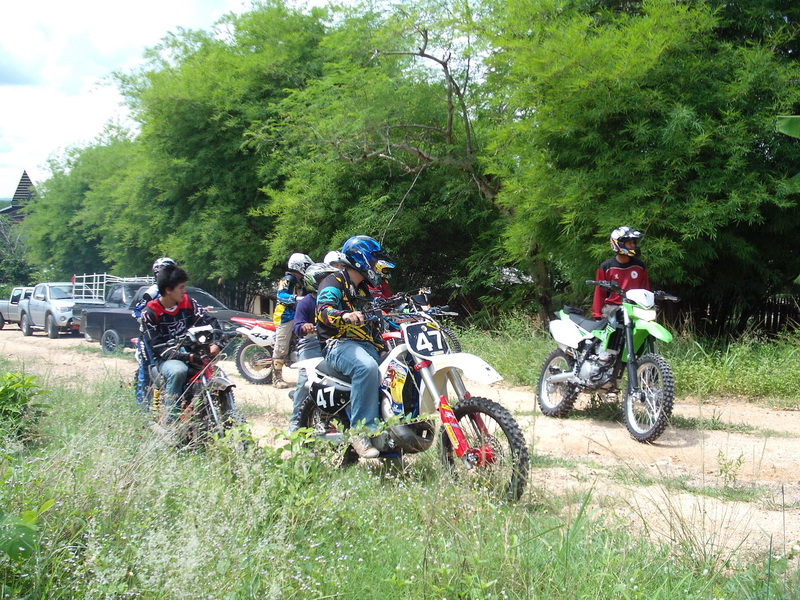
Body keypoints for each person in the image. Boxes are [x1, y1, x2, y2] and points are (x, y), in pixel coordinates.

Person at [316, 235, 395, 458]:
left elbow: (372, 323)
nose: (377, 267)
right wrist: (344, 315)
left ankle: (393, 434)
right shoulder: (333, 281)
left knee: (396, 368)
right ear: (362, 259)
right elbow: (323, 310)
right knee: (366, 368)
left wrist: (382, 348)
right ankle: (360, 432)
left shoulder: (362, 290)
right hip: (337, 343)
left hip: (364, 345)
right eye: (374, 261)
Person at [141, 264, 221, 423]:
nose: (184, 291)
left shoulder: (188, 302)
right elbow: (158, 349)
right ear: (168, 290)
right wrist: (187, 357)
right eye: (181, 287)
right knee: (179, 371)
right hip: (166, 359)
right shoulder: (150, 312)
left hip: (193, 351)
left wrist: (217, 342)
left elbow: (209, 320)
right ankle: (171, 421)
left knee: (216, 373)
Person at [287, 262, 337, 433]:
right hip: (311, 344)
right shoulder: (306, 302)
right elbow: (296, 326)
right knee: (304, 383)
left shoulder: (335, 301)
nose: (328, 282)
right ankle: (295, 422)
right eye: (324, 279)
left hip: (332, 343)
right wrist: (305, 326)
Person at [133, 257, 177, 409]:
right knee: (148, 369)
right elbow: (136, 311)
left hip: (171, 336)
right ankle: (143, 406)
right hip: (149, 338)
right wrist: (147, 321)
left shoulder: (176, 291)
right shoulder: (153, 291)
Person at [272, 252, 313, 389]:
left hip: (297, 315)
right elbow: (281, 295)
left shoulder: (303, 281)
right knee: (281, 347)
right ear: (298, 265)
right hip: (285, 315)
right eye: (305, 265)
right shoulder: (288, 279)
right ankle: (276, 378)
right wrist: (296, 298)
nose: (307, 268)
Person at [592, 226, 650, 318]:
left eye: (633, 243)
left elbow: (645, 289)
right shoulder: (606, 267)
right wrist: (597, 315)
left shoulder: (640, 266)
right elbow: (599, 293)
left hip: (636, 307)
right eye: (629, 243)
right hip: (613, 307)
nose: (633, 245)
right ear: (619, 244)